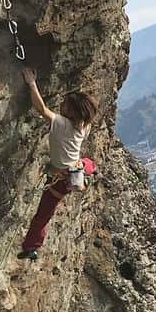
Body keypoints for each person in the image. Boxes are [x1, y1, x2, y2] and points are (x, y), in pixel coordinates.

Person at [17, 68, 98, 260]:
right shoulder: (83, 127)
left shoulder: (61, 124)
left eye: (65, 104)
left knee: (42, 216)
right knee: (86, 163)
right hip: (70, 173)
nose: (61, 105)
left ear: (70, 111)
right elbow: (84, 114)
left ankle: (31, 247)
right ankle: (86, 169)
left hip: (60, 179)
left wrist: (31, 83)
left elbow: (41, 109)